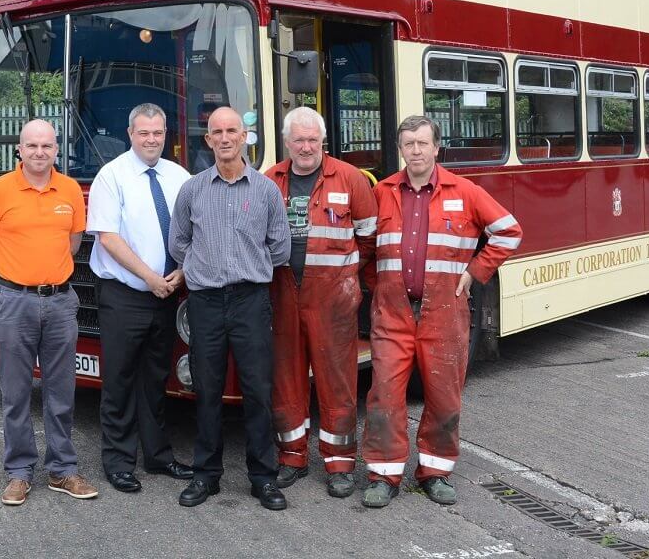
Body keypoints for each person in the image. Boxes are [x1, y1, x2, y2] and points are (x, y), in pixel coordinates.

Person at [361, 115, 522, 509]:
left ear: (437, 148)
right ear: (401, 149)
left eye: (422, 143)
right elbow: (363, 248)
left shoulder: (464, 191)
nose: (415, 150)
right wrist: (379, 284)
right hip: (392, 314)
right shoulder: (382, 193)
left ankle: (435, 472)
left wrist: (475, 272)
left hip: (445, 313)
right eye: (408, 144)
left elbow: (508, 231)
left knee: (444, 397)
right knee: (384, 395)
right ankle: (384, 474)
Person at [0, 119, 99, 506]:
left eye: (47, 146)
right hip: (14, 301)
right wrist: (12, 273)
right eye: (32, 146)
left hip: (60, 302)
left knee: (61, 391)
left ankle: (62, 470)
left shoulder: (71, 190)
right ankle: (20, 472)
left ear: (56, 150)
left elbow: (72, 244)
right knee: (16, 392)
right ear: (19, 150)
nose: (40, 152)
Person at [169, 107, 292, 510]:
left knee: (258, 390)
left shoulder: (266, 191)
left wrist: (243, 266)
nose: (224, 138)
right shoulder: (192, 190)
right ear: (208, 140)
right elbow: (178, 244)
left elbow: (280, 248)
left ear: (245, 137)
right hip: (204, 302)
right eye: (216, 132)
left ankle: (263, 478)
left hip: (250, 301)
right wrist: (206, 266)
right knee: (206, 391)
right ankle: (206, 475)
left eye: (232, 131)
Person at [264, 107, 377, 498]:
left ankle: (340, 463)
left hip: (333, 299)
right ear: (287, 142)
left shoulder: (349, 178)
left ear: (323, 141)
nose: (306, 147)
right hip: (282, 293)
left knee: (337, 381)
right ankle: (291, 456)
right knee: (286, 379)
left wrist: (344, 277)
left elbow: (368, 237)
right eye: (299, 140)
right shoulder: (270, 181)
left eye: (313, 139)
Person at [86, 103, 194, 493]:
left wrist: (181, 270)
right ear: (130, 134)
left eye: (158, 133)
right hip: (125, 295)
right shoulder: (111, 176)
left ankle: (158, 456)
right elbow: (108, 238)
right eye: (144, 133)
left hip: (166, 293)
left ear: (167, 134)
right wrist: (149, 277)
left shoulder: (180, 176)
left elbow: (193, 229)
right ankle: (118, 462)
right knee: (118, 380)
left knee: (155, 380)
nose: (151, 140)